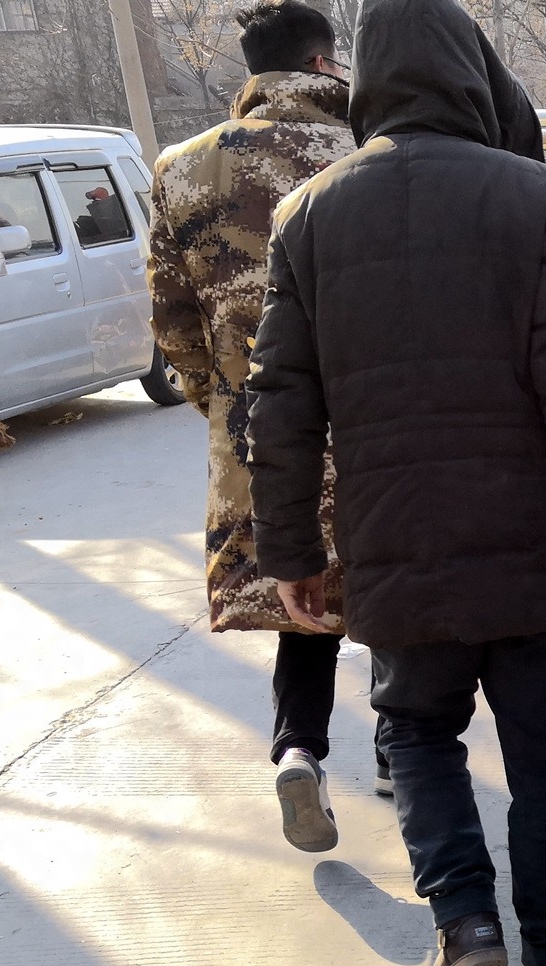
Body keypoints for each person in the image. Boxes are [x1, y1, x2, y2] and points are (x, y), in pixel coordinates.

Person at [247, 0, 546, 966]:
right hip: (535, 546)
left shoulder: (307, 217)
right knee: (544, 758)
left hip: (398, 545)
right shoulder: (534, 198)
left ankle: (463, 921)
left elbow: (280, 406)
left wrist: (292, 552)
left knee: (414, 732)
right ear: (471, 74)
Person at [148, 0, 367, 854]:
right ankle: (401, 747)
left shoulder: (181, 167)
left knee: (295, 600)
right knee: (384, 593)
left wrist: (222, 401)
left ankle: (299, 750)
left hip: (256, 434)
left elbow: (170, 321)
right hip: (376, 425)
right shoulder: (366, 155)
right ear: (324, 64)